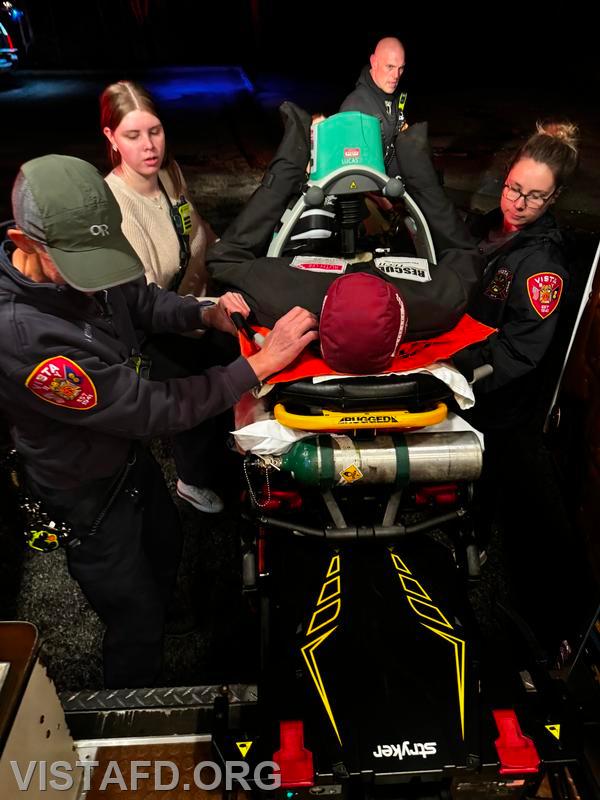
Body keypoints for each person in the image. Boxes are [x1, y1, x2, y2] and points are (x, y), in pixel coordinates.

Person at [0, 154, 317, 688]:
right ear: (24, 242)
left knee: (165, 542)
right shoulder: (23, 336)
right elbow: (151, 409)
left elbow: (138, 299)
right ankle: (134, 706)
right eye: (80, 264)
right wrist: (257, 366)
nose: (92, 278)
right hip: (84, 487)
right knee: (132, 611)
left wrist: (200, 312)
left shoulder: (85, 255)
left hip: (125, 461)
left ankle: (174, 617)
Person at [451, 122, 593, 658]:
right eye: (514, 187)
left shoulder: (542, 268)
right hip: (467, 370)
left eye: (535, 196)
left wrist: (457, 376)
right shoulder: (493, 225)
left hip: (498, 403)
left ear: (554, 197)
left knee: (500, 482)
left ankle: (482, 547)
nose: (519, 202)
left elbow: (520, 353)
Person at [208, 103, 484, 342]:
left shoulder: (289, 304)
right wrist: (414, 174)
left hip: (330, 284)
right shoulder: (433, 304)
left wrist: (290, 165)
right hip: (364, 286)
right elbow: (464, 255)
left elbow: (225, 261)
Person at [100, 80, 226, 513]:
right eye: (132, 136)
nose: (148, 146)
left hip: (202, 309)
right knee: (198, 398)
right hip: (160, 329)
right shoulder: (116, 205)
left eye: (154, 131)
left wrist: (232, 266)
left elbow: (198, 227)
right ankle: (191, 482)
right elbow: (149, 301)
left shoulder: (169, 172)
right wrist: (209, 313)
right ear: (111, 139)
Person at [340, 37, 407, 177]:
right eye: (390, 67)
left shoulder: (394, 97)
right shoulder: (355, 106)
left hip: (399, 184)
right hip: (375, 193)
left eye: (401, 68)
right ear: (374, 62)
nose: (396, 76)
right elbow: (354, 175)